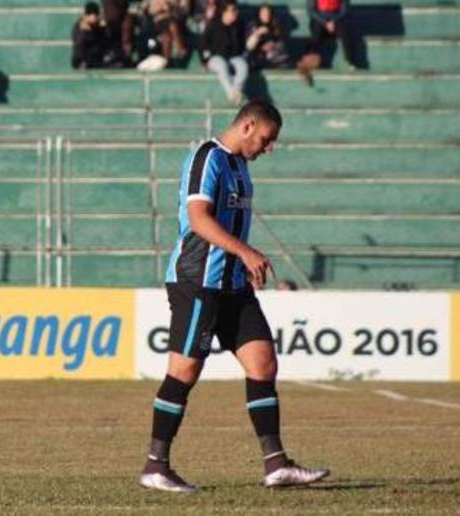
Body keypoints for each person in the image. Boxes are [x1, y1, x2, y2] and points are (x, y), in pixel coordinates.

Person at [138, 99, 330, 493]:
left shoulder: (241, 167)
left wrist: (241, 262)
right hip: (198, 282)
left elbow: (229, 224)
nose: (268, 147)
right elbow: (198, 219)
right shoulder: (206, 158)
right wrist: (245, 251)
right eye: (266, 138)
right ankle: (156, 466)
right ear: (247, 126)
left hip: (231, 285)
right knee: (184, 371)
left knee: (262, 362)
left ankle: (276, 464)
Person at [297, 0, 358, 84]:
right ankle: (307, 65)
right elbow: (311, 11)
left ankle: (351, 62)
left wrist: (333, 20)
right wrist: (325, 22)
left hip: (336, 19)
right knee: (315, 36)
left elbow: (344, 9)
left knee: (345, 34)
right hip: (319, 20)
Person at [200, 0, 248, 105]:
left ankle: (236, 91)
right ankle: (231, 93)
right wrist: (204, 60)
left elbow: (241, 46)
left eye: (236, 10)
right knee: (221, 65)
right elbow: (204, 43)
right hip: (215, 57)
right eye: (232, 11)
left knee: (243, 66)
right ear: (224, 12)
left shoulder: (238, 26)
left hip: (233, 57)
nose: (235, 13)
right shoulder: (213, 23)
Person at [246, 4, 289, 69]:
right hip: (256, 55)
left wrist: (273, 45)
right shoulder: (253, 25)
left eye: (268, 13)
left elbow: (281, 42)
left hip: (273, 56)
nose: (266, 16)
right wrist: (257, 34)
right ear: (259, 14)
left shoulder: (275, 25)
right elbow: (249, 47)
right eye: (263, 14)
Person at [72, 2, 111, 69]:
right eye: (90, 14)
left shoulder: (100, 27)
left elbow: (106, 42)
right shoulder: (80, 27)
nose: (93, 17)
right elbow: (79, 46)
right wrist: (85, 32)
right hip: (83, 60)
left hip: (98, 59)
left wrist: (104, 28)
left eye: (95, 15)